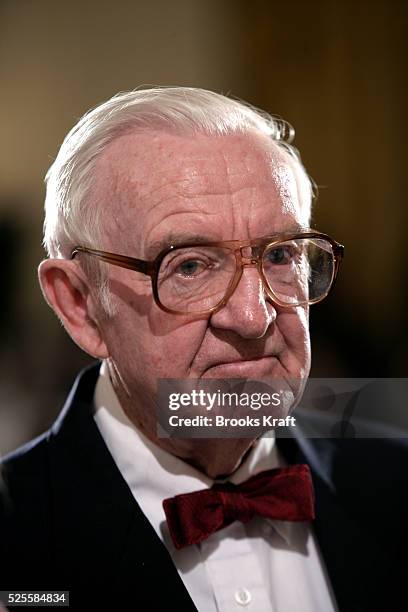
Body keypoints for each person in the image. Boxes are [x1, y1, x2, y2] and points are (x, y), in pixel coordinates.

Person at [0, 87, 406, 612]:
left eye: (280, 254)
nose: (253, 318)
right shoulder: (17, 535)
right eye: (189, 265)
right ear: (80, 303)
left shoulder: (396, 487)